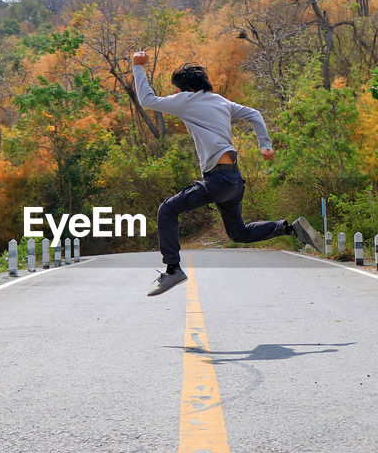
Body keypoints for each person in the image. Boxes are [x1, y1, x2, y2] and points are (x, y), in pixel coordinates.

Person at [131, 50, 325, 296]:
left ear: (187, 89)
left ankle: (173, 270)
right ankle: (290, 228)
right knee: (239, 233)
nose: (175, 95)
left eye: (177, 91)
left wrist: (138, 67)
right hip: (233, 179)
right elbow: (254, 114)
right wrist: (265, 144)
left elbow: (147, 100)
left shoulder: (187, 100)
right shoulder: (222, 101)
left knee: (167, 210)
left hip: (218, 181)